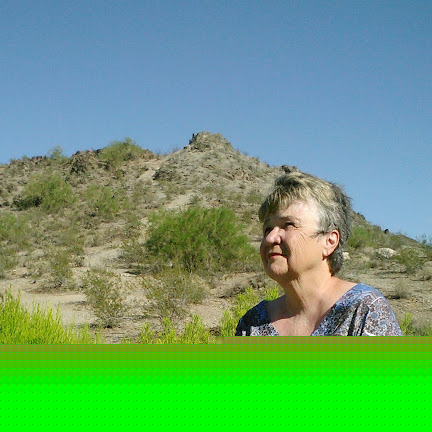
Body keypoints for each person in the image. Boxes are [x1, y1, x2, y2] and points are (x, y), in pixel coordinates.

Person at [236, 170, 402, 336]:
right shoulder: (253, 323)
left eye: (288, 225)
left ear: (329, 241)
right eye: (267, 229)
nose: (270, 238)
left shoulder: (364, 310)